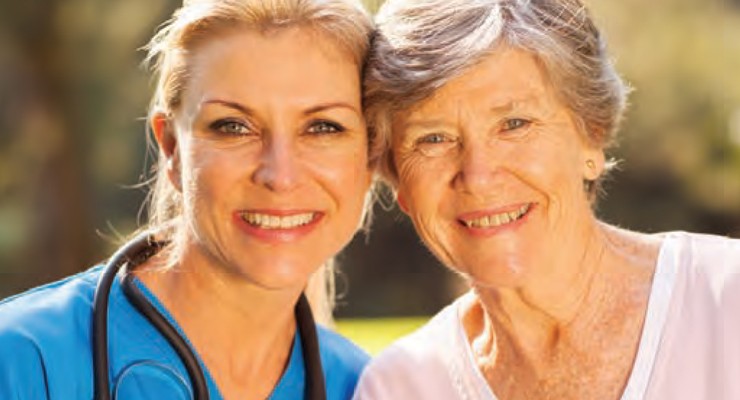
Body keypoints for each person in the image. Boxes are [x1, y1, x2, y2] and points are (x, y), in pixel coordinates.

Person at [353, 0, 740, 399]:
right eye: (433, 138)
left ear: (592, 135)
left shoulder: (728, 300)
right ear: (398, 180)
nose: (479, 177)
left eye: (514, 124)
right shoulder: (400, 386)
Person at [0, 0, 379, 398]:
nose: (280, 176)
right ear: (170, 148)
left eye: (323, 127)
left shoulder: (366, 386)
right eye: (234, 127)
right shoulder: (24, 358)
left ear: (372, 155)